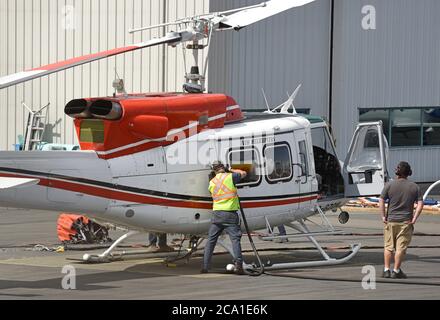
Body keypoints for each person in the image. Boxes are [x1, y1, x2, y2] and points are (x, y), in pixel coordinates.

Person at [379, 161, 423, 279]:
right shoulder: (414, 187)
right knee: (400, 248)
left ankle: (386, 270)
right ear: (409, 173)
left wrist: (383, 216)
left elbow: (381, 201)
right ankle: (396, 270)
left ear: (397, 172)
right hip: (405, 222)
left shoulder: (389, 185)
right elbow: (420, 204)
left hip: (390, 221)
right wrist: (414, 218)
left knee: (388, 246)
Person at [201, 161, 247, 274]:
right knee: (235, 240)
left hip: (217, 215)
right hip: (230, 214)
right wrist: (230, 169)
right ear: (223, 168)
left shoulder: (212, 182)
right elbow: (244, 173)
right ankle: (239, 266)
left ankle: (205, 266)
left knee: (211, 240)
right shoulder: (230, 176)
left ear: (214, 170)